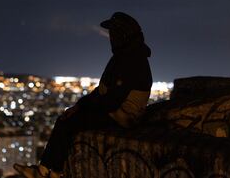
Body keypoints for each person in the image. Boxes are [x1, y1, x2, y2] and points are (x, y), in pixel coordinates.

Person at [14, 12, 153, 178]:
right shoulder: (124, 57)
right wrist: (79, 106)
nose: (111, 37)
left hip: (123, 118)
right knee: (68, 119)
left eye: (114, 33)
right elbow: (103, 92)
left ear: (123, 34)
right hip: (116, 113)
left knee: (68, 123)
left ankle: (48, 172)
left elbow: (111, 100)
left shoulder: (131, 60)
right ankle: (47, 170)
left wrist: (83, 109)